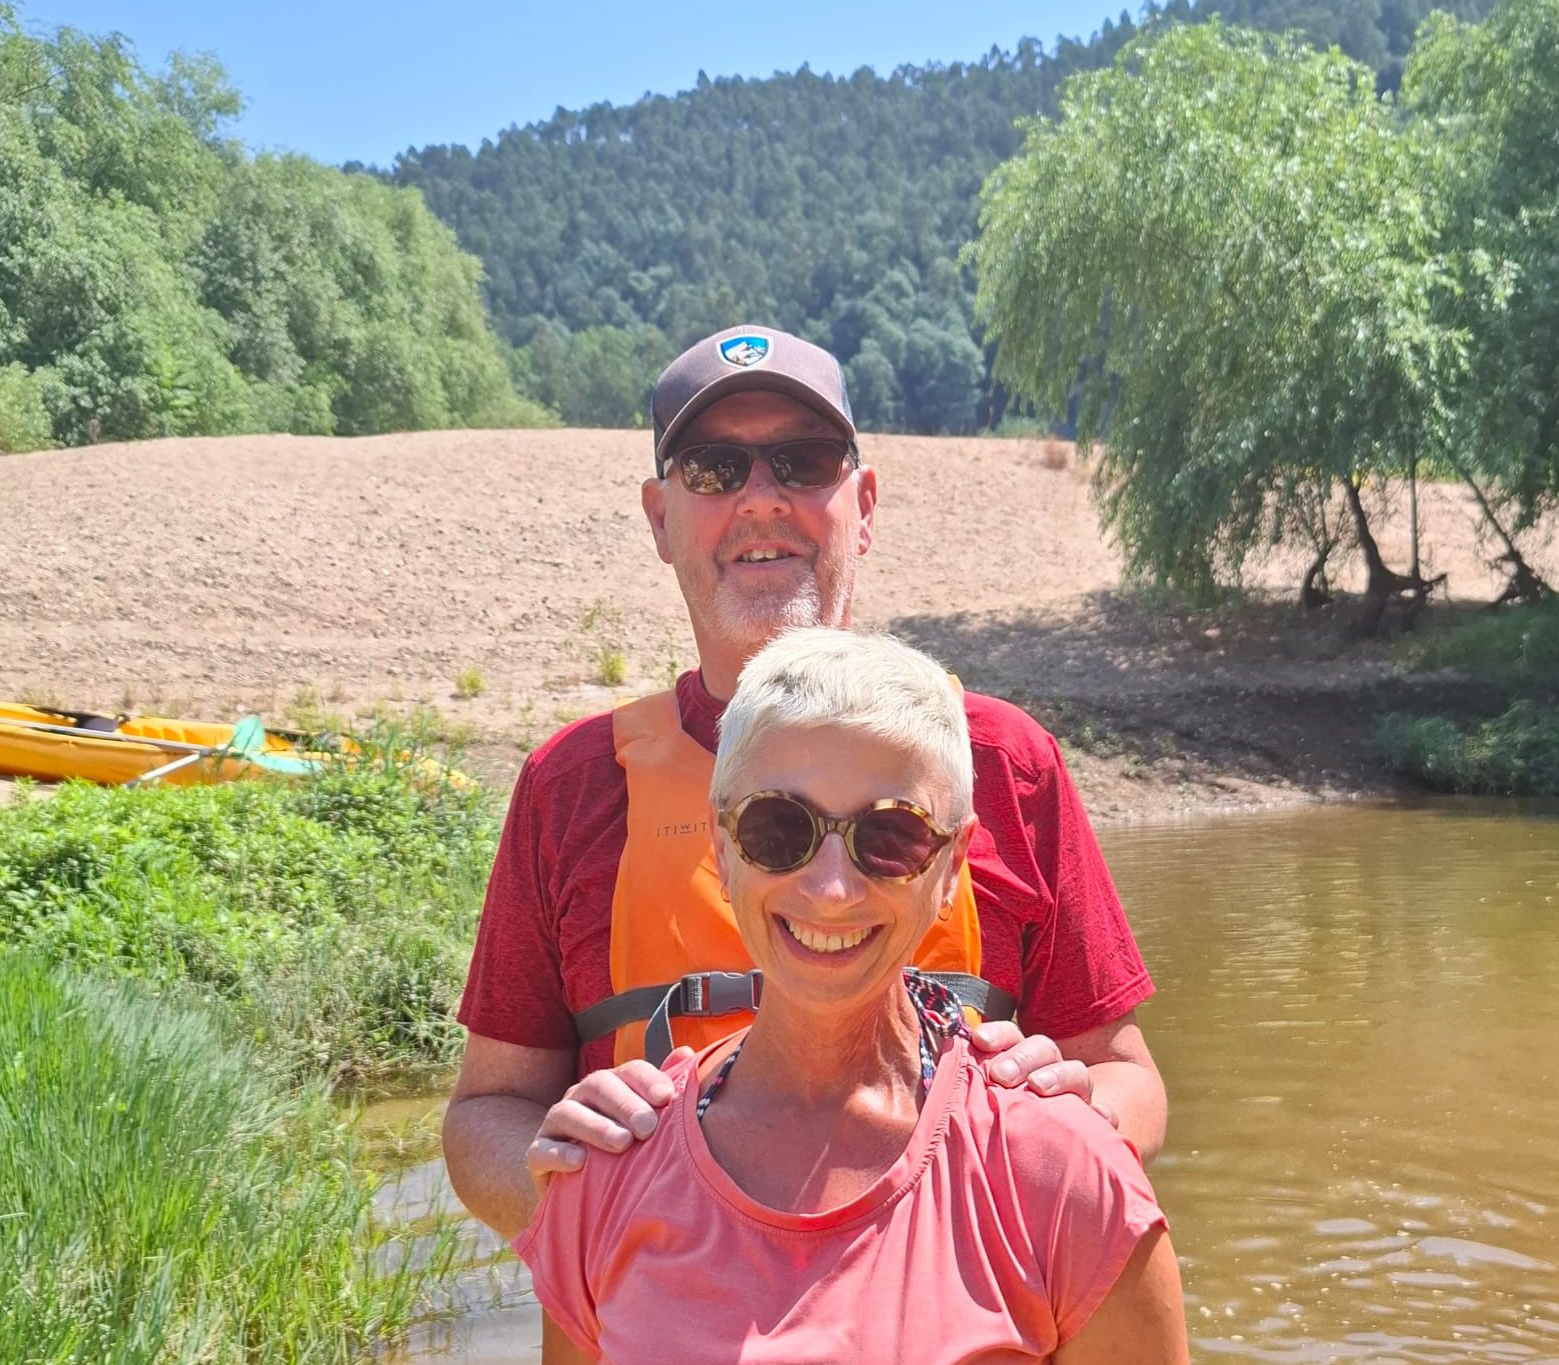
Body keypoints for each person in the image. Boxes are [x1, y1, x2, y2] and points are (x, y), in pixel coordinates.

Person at [511, 631, 1265, 1365]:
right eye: (777, 830)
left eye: (888, 839)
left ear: (951, 866)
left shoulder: (1057, 1170)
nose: (828, 885)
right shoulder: (608, 1171)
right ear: (721, 848)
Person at [444, 325, 1166, 1242]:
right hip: (659, 1353)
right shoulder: (570, 786)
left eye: (803, 461)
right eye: (712, 469)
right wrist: (564, 1190)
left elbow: (1128, 1076)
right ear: (660, 518)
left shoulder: (1007, 763)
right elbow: (485, 1114)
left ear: (863, 506)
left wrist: (1077, 1125)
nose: (761, 500)